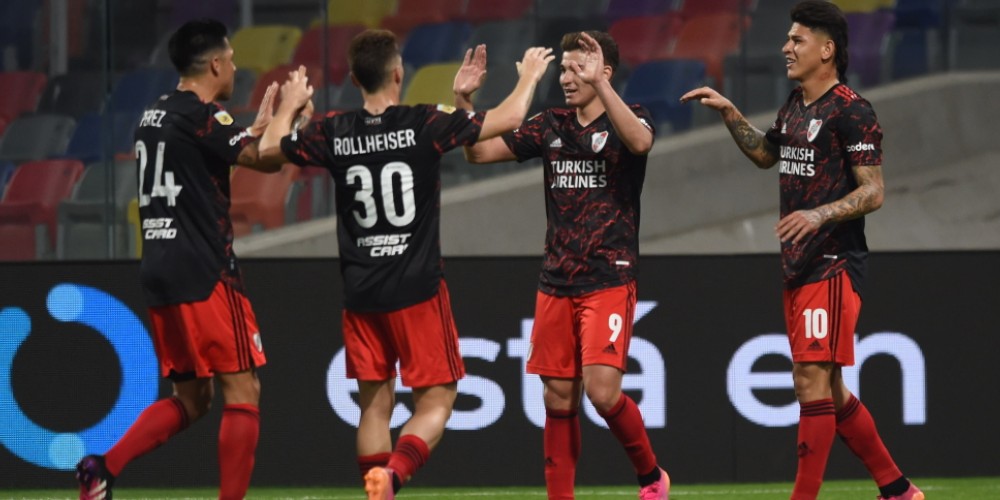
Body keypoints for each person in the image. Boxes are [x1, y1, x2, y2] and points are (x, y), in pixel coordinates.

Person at [257, 30, 554, 500]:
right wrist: (531, 76)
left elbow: (267, 151)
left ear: (355, 79)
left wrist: (290, 106)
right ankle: (393, 475)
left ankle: (376, 489)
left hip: (361, 293)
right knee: (438, 401)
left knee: (374, 407)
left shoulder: (334, 130)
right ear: (399, 73)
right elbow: (512, 117)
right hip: (416, 289)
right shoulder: (424, 122)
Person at [680, 2, 923, 499]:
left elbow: (874, 191)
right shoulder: (795, 103)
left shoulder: (852, 110)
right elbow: (767, 155)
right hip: (799, 263)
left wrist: (818, 214)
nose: (785, 48)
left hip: (833, 261)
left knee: (809, 381)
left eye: (797, 40)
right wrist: (729, 113)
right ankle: (899, 490)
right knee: (830, 390)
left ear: (826, 50)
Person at [75, 18, 294, 500]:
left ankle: (102, 469)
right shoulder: (203, 115)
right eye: (230, 59)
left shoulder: (153, 114)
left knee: (193, 398)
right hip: (204, 268)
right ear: (214, 64)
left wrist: (249, 131)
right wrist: (289, 112)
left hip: (160, 266)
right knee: (244, 390)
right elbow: (265, 159)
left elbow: (201, 175)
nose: (234, 66)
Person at [457, 31, 670, 500]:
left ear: (604, 72)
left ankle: (651, 476)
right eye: (565, 68)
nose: (567, 77)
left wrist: (604, 87)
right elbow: (479, 152)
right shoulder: (550, 124)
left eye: (578, 68)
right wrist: (466, 102)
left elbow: (641, 144)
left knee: (602, 391)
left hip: (609, 276)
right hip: (556, 280)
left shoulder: (631, 117)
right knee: (556, 397)